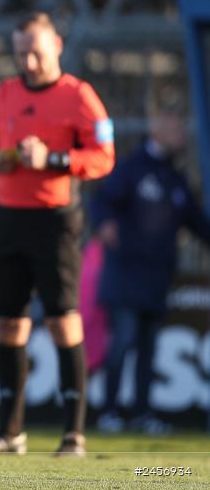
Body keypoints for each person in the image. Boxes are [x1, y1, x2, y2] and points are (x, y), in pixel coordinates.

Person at [0, 12, 114, 456]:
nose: (28, 61)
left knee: (61, 320)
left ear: (56, 45)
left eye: (35, 51)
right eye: (20, 53)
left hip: (55, 220)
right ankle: (9, 430)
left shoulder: (79, 95)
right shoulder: (6, 92)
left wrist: (52, 160)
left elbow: (103, 156)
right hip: (9, 217)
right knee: (8, 325)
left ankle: (73, 432)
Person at [92, 88, 210, 435]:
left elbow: (197, 223)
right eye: (175, 129)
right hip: (126, 274)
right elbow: (103, 202)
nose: (181, 136)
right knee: (122, 343)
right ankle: (109, 411)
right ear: (157, 130)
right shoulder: (132, 168)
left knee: (148, 350)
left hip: (157, 277)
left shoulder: (175, 178)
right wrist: (105, 224)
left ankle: (143, 413)